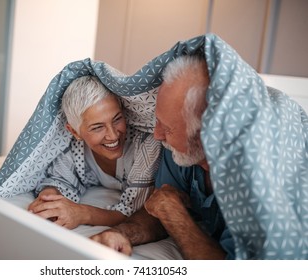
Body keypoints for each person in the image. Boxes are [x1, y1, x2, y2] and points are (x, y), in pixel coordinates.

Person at [90, 54, 236, 259]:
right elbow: (160, 208)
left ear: (206, 135)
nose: (157, 135)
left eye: (167, 129)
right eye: (157, 121)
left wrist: (175, 214)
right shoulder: (179, 153)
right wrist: (120, 233)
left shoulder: (255, 182)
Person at [28, 75, 162, 230]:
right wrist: (49, 198)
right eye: (98, 127)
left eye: (117, 119)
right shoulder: (72, 145)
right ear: (75, 132)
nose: (113, 135)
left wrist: (82, 213)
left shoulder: (146, 144)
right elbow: (60, 181)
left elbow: (132, 211)